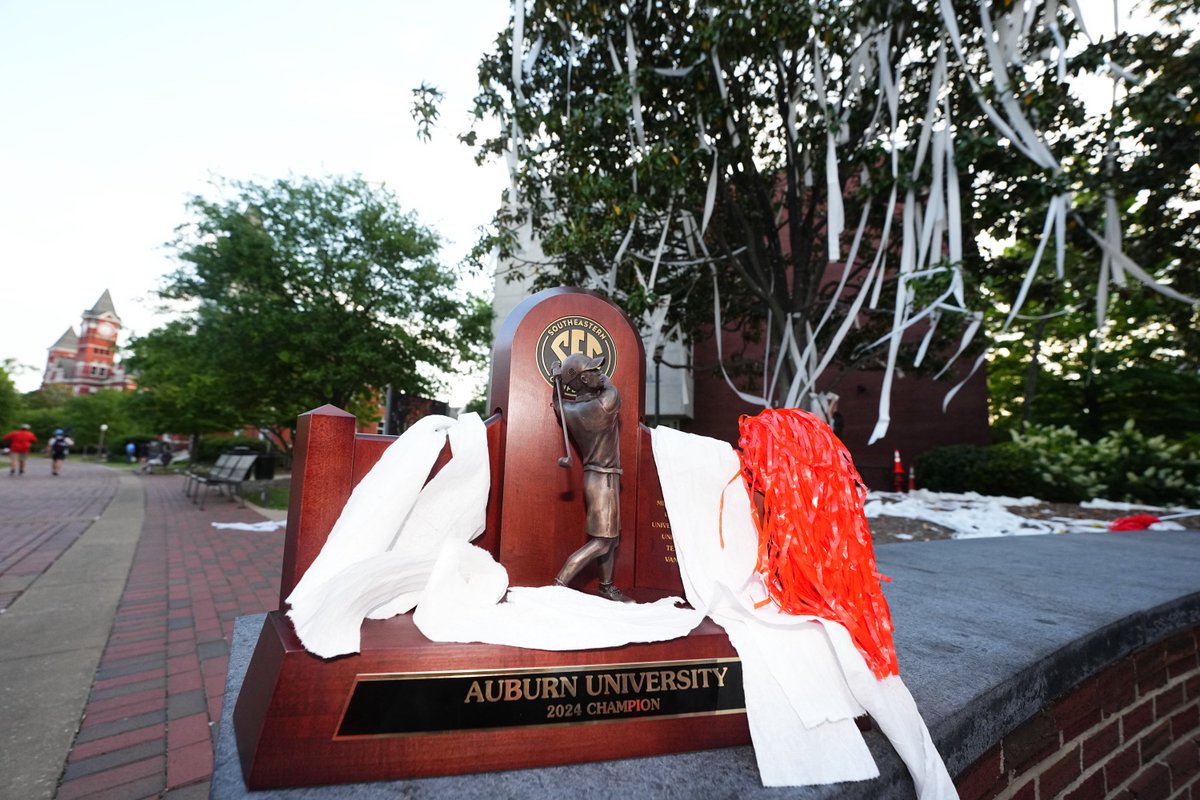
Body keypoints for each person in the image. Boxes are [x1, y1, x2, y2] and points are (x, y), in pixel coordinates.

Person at [549, 353, 631, 602]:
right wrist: (594, 380)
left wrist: (558, 382)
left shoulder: (572, 410)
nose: (600, 373)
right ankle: (559, 583)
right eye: (594, 371)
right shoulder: (602, 405)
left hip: (598, 478)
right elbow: (611, 390)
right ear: (584, 378)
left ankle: (606, 586)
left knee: (611, 539)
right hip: (604, 480)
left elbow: (557, 403)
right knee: (603, 541)